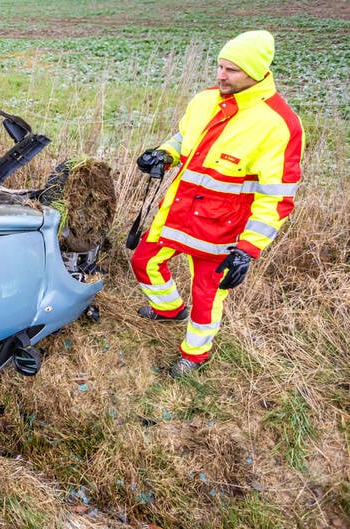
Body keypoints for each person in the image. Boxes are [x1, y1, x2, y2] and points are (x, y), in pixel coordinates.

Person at [130, 30, 304, 377]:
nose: (220, 75)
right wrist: (163, 155)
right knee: (143, 259)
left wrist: (248, 249)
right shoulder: (205, 100)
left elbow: (278, 197)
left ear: (256, 72)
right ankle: (168, 309)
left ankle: (194, 355)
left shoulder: (279, 125)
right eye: (220, 66)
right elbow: (184, 139)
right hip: (176, 213)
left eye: (231, 70)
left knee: (207, 295)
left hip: (222, 230)